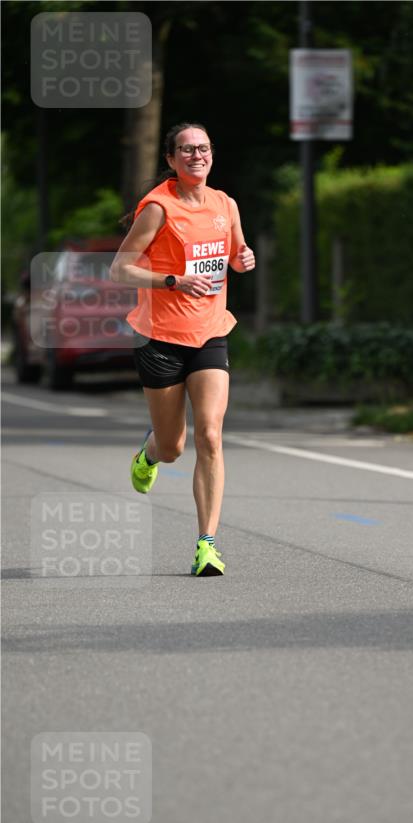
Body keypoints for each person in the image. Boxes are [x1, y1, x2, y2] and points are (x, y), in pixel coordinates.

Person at [111, 122, 255, 576]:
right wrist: (172, 280)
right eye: (187, 150)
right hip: (161, 338)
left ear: (212, 155)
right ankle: (148, 455)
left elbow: (235, 251)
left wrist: (243, 257)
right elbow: (120, 270)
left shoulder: (224, 204)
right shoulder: (158, 207)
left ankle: (206, 545)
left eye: (204, 148)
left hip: (211, 332)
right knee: (173, 446)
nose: (197, 155)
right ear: (172, 160)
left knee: (210, 434)